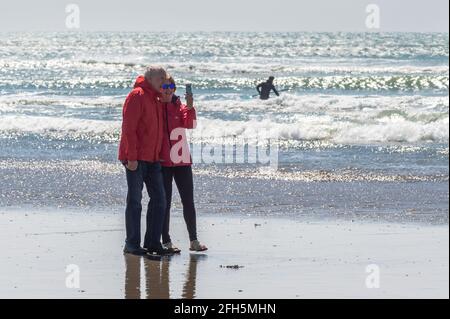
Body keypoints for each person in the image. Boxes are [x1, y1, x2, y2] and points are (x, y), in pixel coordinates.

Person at [118, 66, 172, 256]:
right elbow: (129, 129)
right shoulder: (137, 95)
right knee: (135, 201)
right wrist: (131, 157)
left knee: (160, 200)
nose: (164, 83)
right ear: (150, 79)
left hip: (153, 158)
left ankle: (152, 243)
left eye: (165, 80)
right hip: (136, 159)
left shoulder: (157, 99)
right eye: (161, 80)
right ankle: (131, 244)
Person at [157, 75, 208, 253]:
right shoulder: (156, 106)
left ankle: (193, 241)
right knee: (165, 202)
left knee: (188, 201)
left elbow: (190, 124)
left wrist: (191, 105)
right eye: (164, 86)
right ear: (159, 88)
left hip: (181, 160)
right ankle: (166, 241)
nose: (168, 89)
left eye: (171, 86)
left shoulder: (179, 105)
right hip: (163, 161)